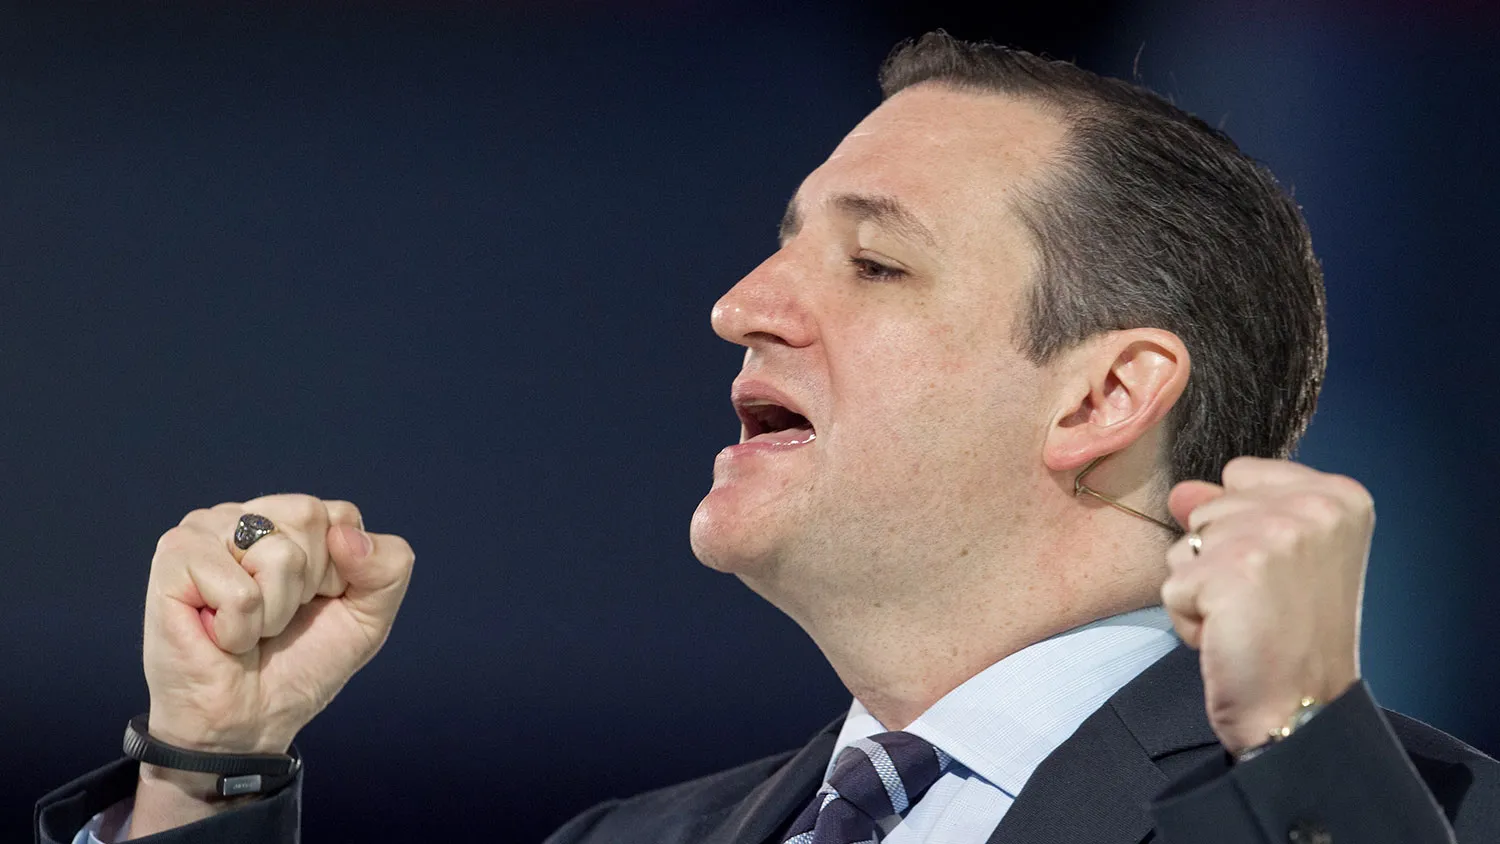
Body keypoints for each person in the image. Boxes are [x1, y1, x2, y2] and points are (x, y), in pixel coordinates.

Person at [36, 31, 1499, 844]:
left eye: (873, 263)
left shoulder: (1409, 816)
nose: (740, 306)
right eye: (777, 250)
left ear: (1104, 398)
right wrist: (208, 770)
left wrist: (1307, 748)